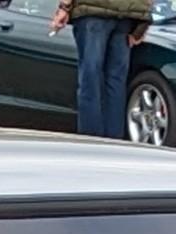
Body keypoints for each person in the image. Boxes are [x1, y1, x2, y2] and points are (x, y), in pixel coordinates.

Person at [52, 0, 148, 137]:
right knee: (116, 82)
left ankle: (91, 141)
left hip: (93, 12)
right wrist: (144, 22)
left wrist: (64, 7)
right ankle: (114, 141)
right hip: (126, 16)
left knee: (90, 79)